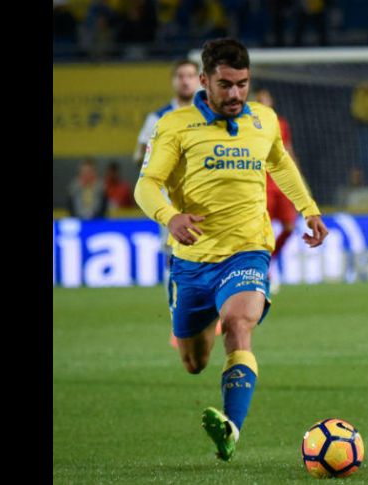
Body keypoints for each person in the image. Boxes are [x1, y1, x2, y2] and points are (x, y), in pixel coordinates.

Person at [134, 37, 328, 462]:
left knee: (239, 323)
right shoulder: (174, 125)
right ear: (204, 81)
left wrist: (308, 209)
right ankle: (196, 330)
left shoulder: (265, 119)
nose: (236, 94)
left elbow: (279, 161)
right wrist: (170, 217)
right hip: (191, 260)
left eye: (242, 84)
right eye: (226, 85)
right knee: (194, 362)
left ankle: (231, 429)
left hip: (248, 250)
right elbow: (146, 184)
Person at [134, 58, 201, 348]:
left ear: (200, 80)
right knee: (175, 259)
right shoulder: (158, 118)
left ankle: (208, 316)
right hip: (170, 205)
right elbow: (139, 156)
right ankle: (178, 321)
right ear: (173, 81)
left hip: (204, 200)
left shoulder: (208, 115)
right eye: (180, 76)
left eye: (190, 75)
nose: (185, 81)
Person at [254, 87, 299, 272]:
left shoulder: (281, 124)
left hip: (281, 184)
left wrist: (297, 176)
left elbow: (288, 150)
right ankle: (261, 268)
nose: (264, 103)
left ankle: (270, 260)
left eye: (267, 99)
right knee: (264, 231)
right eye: (260, 100)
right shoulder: (249, 126)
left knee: (289, 226)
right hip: (263, 185)